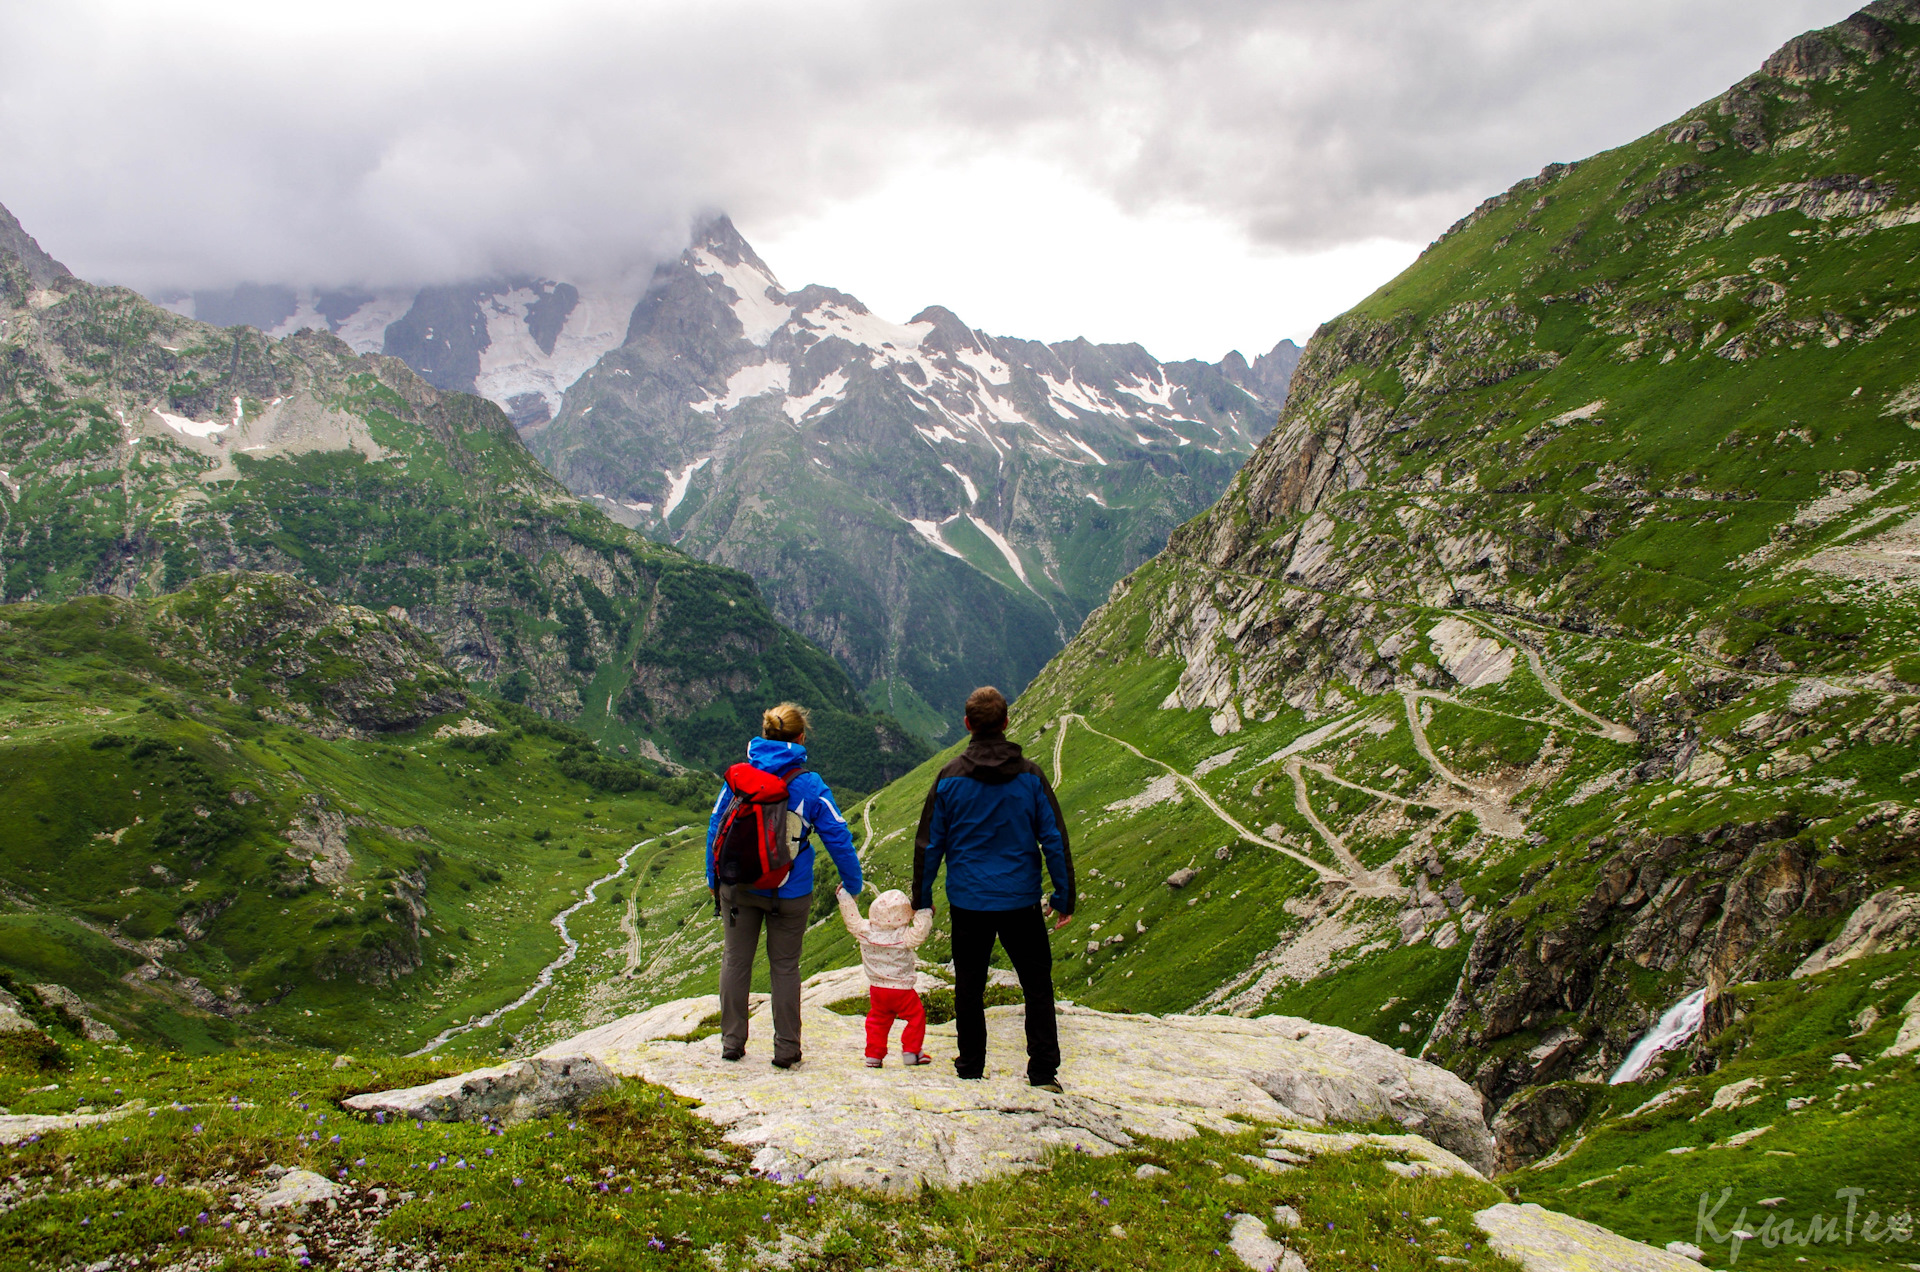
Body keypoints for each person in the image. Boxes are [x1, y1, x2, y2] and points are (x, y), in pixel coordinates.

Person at [911, 686, 1075, 1090]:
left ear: (967, 725)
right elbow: (1053, 837)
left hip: (969, 901)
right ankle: (1042, 1072)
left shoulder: (949, 778)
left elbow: (930, 843)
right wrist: (1063, 895)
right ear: (1006, 722)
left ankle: (970, 1066)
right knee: (1037, 985)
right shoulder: (1032, 776)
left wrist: (922, 898)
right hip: (1020, 900)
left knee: (969, 984)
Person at [707, 702, 863, 1069]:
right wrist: (852, 883)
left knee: (735, 960)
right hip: (789, 893)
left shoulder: (739, 777)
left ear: (764, 735)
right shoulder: (809, 785)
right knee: (785, 968)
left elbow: (716, 826)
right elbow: (838, 835)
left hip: (739, 888)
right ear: (801, 737)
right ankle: (786, 1049)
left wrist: (713, 878)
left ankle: (732, 1043)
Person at [835, 886, 936, 1067]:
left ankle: (874, 1056)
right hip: (902, 990)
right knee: (916, 1016)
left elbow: (852, 919)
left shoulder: (865, 932)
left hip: (878, 989)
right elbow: (920, 932)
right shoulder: (904, 936)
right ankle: (911, 1052)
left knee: (878, 1020)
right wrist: (925, 912)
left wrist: (844, 896)